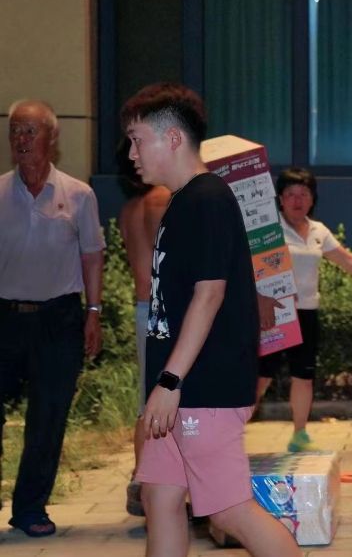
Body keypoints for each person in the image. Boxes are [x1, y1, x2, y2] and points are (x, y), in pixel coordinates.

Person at [122, 82, 301, 557]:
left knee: (228, 511)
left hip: (204, 388)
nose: (131, 153)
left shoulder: (208, 199)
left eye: (138, 140)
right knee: (159, 498)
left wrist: (170, 380)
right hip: (179, 389)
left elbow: (209, 295)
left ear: (173, 138)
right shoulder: (182, 201)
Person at [0, 99, 105, 538]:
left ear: (52, 137)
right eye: (15, 131)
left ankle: (30, 509)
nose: (21, 139)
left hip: (59, 319)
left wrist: (93, 312)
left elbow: (92, 256)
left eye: (30, 131)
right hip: (5, 317)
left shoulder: (78, 194)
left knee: (48, 416)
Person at [259, 167, 352, 452]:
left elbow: (347, 260)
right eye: (291, 194)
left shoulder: (319, 231)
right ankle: (232, 432)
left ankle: (299, 434)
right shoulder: (268, 230)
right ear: (280, 199)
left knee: (303, 375)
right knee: (262, 375)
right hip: (275, 312)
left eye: (304, 194)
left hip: (307, 311)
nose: (297, 200)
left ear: (312, 199)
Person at [116, 137, 170, 517]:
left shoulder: (128, 210)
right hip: (165, 307)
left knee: (146, 398)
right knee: (170, 392)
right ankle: (164, 481)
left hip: (141, 306)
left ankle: (140, 478)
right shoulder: (163, 199)